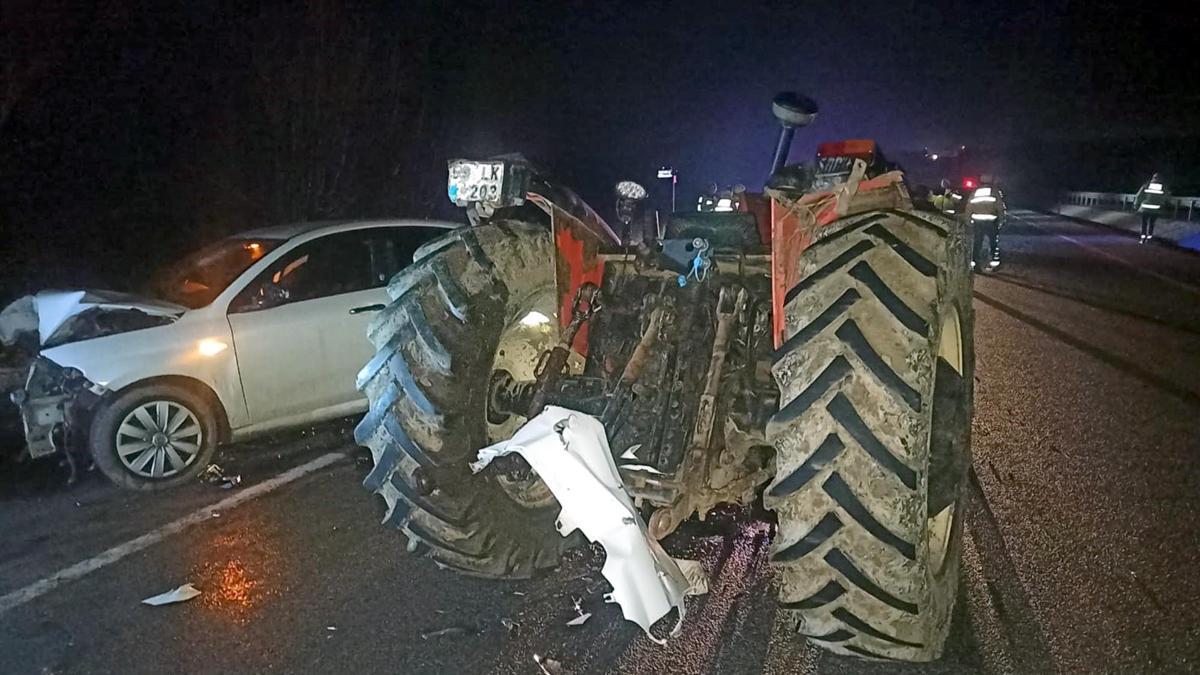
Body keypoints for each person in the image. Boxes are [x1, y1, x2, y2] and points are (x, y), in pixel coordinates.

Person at [965, 183, 1006, 271]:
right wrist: (1001, 220)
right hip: (991, 222)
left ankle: (975, 264)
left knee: (977, 243)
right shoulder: (994, 191)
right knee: (993, 243)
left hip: (978, 222)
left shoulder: (975, 192)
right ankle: (994, 264)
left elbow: (969, 207)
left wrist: (968, 221)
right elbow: (1000, 206)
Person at [1134, 173, 1167, 243]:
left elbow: (1138, 196)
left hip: (1145, 208)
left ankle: (1143, 238)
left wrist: (1136, 205)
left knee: (1144, 223)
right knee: (1152, 224)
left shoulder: (1146, 185)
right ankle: (1149, 238)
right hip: (1155, 209)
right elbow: (1165, 198)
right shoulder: (1163, 188)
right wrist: (1161, 205)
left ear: (1153, 178)